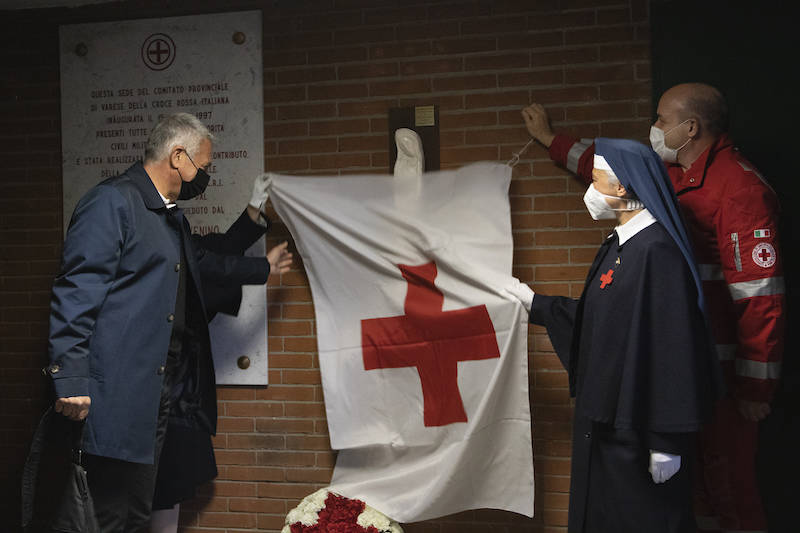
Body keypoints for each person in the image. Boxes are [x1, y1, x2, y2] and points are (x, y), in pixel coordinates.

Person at [521, 83, 785, 533]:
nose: (655, 128)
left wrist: (755, 387)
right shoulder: (674, 176)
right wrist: (552, 141)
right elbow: (606, 168)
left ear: (690, 127)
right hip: (677, 375)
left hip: (718, 373)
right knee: (691, 493)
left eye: (662, 120)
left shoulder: (738, 188)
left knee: (728, 488)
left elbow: (759, 295)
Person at [46, 112, 292, 532]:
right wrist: (69, 377)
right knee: (106, 513)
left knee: (137, 512)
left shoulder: (169, 216)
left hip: (154, 391)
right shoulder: (113, 202)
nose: (205, 175)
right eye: (204, 165)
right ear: (178, 157)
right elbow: (77, 290)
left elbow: (204, 261)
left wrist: (261, 267)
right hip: (114, 392)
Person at [506, 138, 720, 532]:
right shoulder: (619, 245)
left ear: (621, 187)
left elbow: (673, 347)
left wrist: (667, 440)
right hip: (605, 422)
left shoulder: (657, 252)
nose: (590, 190)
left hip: (638, 429)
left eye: (596, 180)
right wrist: (536, 304)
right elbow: (600, 322)